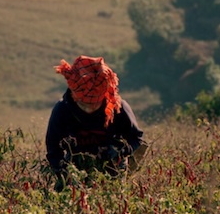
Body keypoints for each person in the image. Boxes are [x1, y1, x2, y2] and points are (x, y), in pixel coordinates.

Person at [45, 54, 146, 185]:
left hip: (113, 168)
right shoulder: (62, 110)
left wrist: (122, 150)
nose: (88, 110)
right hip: (75, 169)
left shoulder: (117, 108)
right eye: (84, 105)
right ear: (75, 99)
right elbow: (53, 149)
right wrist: (64, 175)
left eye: (93, 105)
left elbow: (136, 138)